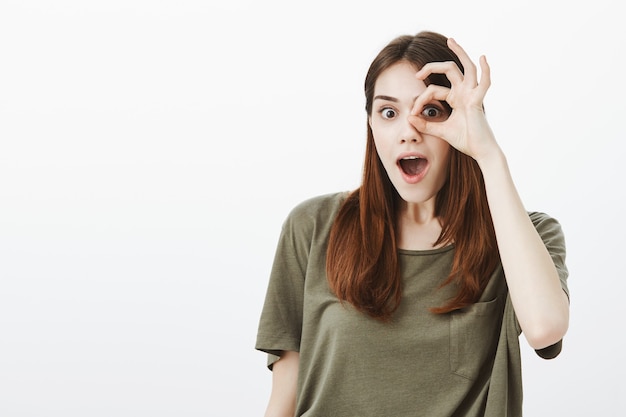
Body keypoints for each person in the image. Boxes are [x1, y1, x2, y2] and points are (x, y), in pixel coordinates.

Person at [255, 30, 569, 417]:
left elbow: (545, 328)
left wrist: (488, 154)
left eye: (431, 111)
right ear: (370, 124)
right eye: (388, 113)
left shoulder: (522, 235)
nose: (409, 132)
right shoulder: (313, 227)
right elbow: (283, 401)